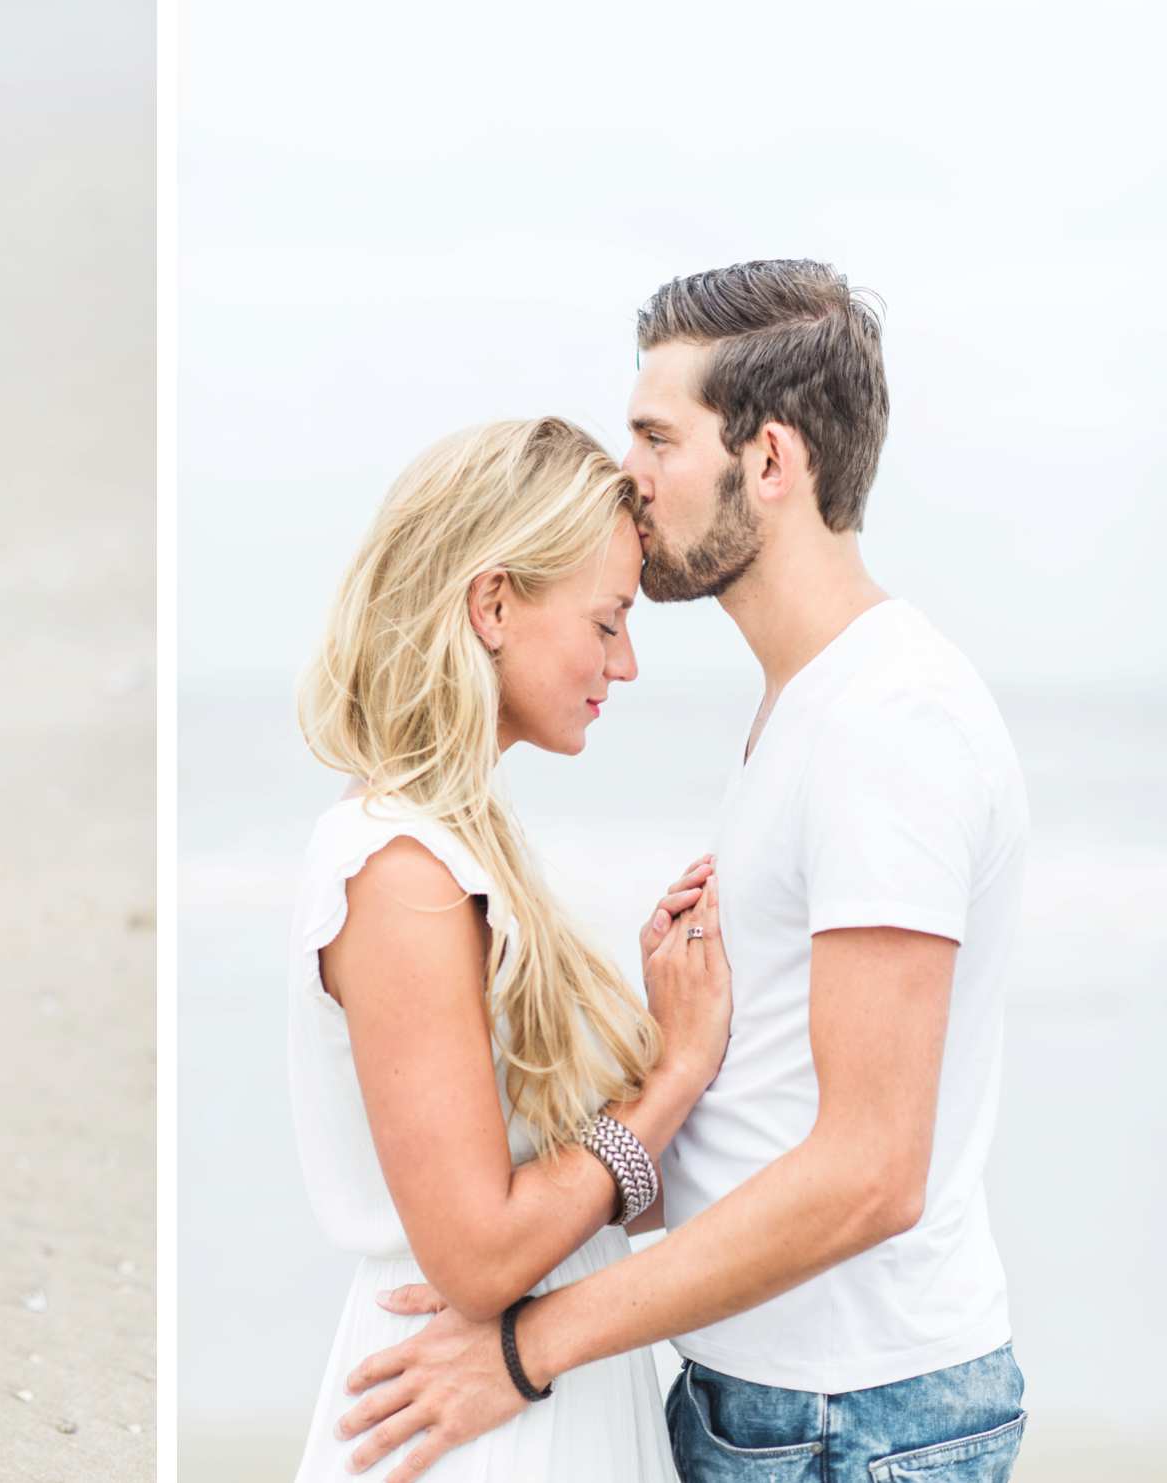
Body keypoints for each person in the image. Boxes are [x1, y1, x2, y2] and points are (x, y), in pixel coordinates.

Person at [338, 260, 1030, 1482]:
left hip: (851, 1418)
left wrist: (524, 1347)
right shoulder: (806, 710)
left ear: (769, 463)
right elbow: (776, 1116)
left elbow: (870, 1172)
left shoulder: (887, 723)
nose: (629, 476)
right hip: (777, 1401)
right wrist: (670, 1068)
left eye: (657, 437)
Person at [286, 415, 736, 1479]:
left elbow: (550, 1185)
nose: (623, 664)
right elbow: (481, 1255)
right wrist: (669, 1075)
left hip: (516, 1393)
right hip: (466, 1408)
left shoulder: (459, 847)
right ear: (492, 604)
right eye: (607, 619)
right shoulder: (398, 873)